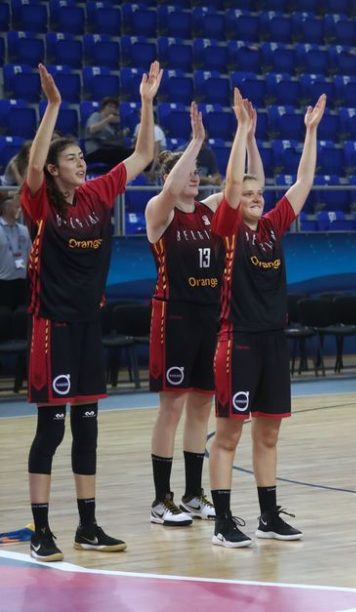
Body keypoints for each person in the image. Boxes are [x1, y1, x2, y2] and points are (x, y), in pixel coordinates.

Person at [22, 62, 162, 562]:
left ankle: (87, 525)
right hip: (51, 328)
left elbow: (144, 153)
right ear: (56, 169)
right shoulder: (42, 206)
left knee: (87, 427)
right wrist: (54, 107)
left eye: (83, 157)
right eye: (73, 158)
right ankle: (41, 530)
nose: (82, 163)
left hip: (87, 329)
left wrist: (146, 102)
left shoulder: (99, 194)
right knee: (51, 430)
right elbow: (33, 168)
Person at [208, 89, 324, 547]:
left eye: (260, 193)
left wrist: (310, 133)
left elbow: (304, 181)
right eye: (248, 193)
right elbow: (233, 183)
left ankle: (267, 515)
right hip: (238, 340)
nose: (255, 198)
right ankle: (221, 520)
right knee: (230, 434)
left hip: (274, 339)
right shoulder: (228, 227)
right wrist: (241, 130)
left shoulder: (273, 226)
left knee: (270, 432)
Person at [144, 103, 230, 528]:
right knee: (172, 409)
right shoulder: (159, 213)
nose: (194, 176)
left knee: (201, 409)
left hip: (209, 317)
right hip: (172, 317)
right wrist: (194, 142)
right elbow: (170, 188)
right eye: (186, 171)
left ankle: (195, 494)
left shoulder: (211, 210)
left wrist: (246, 133)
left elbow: (239, 184)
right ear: (169, 179)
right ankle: (162, 499)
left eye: (197, 169)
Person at [0, 194, 31, 310]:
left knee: (21, 316)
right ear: (6, 209)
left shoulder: (24, 230)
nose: (19, 210)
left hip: (22, 281)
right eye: (15, 207)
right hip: (3, 281)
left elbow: (30, 254)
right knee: (4, 316)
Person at [85, 97, 132, 168]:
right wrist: (107, 119)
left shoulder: (113, 123)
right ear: (103, 108)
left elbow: (115, 139)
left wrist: (123, 132)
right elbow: (92, 129)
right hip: (95, 150)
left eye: (114, 107)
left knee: (130, 153)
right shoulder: (96, 115)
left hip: (109, 149)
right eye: (110, 106)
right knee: (118, 153)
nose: (112, 109)